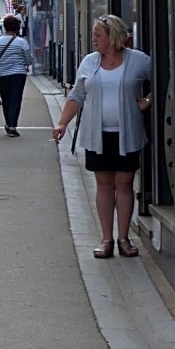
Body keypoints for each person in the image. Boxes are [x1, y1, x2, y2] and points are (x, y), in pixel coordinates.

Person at [52, 15, 152, 259]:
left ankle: (123, 238)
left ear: (113, 36)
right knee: (104, 185)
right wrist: (63, 122)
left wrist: (147, 101)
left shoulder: (138, 61)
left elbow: (163, 79)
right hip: (98, 134)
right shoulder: (89, 62)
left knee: (125, 184)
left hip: (126, 134)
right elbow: (77, 95)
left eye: (98, 35)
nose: (93, 40)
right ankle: (106, 239)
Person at [0, 15, 33, 137]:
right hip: (18, 74)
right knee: (15, 100)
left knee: (6, 100)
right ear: (17, 28)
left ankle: (8, 123)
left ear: (4, 27)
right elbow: (29, 59)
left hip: (2, 75)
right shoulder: (22, 43)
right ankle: (12, 125)